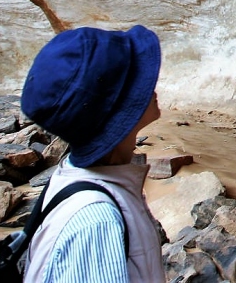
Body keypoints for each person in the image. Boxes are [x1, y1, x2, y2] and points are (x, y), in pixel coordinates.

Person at [19, 26, 166, 283]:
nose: (152, 83)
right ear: (115, 111)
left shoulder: (76, 179)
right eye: (135, 82)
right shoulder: (96, 223)